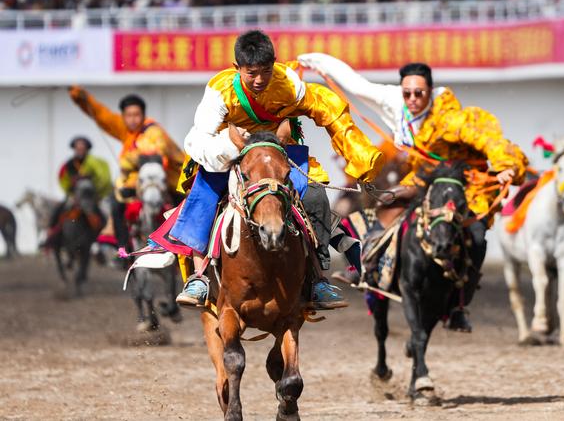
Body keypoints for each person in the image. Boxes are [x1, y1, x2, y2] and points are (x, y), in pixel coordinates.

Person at [298, 53, 527, 331]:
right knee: (381, 205)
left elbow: (489, 138)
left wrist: (504, 166)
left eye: (419, 93)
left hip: (458, 181)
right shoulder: (395, 102)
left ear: (430, 92)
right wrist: (315, 62)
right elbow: (356, 85)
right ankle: (368, 269)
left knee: (477, 236)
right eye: (408, 93)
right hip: (421, 177)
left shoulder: (451, 118)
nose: (413, 99)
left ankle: (459, 306)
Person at [158, 30, 383, 310]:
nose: (259, 79)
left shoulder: (289, 84)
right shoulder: (219, 91)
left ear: (274, 64)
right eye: (251, 72)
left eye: (266, 71)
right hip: (229, 151)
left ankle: (317, 278)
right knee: (203, 194)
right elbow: (198, 138)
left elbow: (327, 106)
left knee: (314, 195)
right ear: (236, 68)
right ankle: (200, 276)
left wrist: (358, 155)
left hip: (278, 151)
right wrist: (228, 148)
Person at [68, 87, 184, 255]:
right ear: (123, 117)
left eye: (136, 115)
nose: (132, 119)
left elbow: (153, 154)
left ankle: (184, 248)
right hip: (138, 184)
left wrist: (127, 160)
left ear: (143, 115)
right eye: (128, 115)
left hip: (168, 181)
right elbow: (104, 116)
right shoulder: (128, 131)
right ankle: (122, 248)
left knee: (183, 212)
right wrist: (82, 99)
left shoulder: (153, 131)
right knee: (116, 205)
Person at [43, 136, 112, 248]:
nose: (79, 150)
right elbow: (63, 179)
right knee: (59, 208)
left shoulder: (95, 163)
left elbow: (103, 178)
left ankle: (105, 237)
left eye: (82, 147)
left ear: (86, 149)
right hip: (74, 195)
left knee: (102, 213)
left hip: (92, 196)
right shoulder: (69, 164)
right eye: (77, 147)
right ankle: (52, 235)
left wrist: (96, 193)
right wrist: (70, 191)